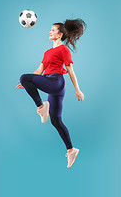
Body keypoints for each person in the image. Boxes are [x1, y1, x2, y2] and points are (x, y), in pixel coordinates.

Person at [16, 18, 87, 168]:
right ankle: (71, 150)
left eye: (53, 30)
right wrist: (27, 83)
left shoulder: (64, 50)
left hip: (56, 82)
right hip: (49, 83)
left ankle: (41, 107)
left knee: (24, 77)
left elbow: (71, 71)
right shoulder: (47, 52)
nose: (49, 32)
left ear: (60, 35)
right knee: (55, 121)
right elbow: (38, 71)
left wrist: (77, 89)